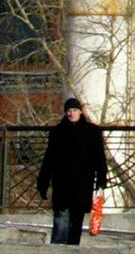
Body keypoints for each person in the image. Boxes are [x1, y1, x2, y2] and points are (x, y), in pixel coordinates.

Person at [37, 97, 109, 246]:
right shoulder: (57, 132)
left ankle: (71, 249)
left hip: (82, 184)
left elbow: (100, 160)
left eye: (75, 110)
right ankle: (57, 250)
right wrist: (43, 182)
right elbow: (49, 159)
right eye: (69, 111)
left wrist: (101, 183)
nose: (71, 114)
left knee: (76, 224)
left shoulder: (92, 132)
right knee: (61, 222)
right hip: (62, 183)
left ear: (81, 112)